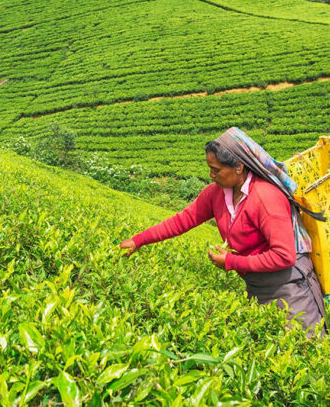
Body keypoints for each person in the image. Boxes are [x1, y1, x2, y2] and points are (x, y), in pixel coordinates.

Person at [120, 127, 326, 336]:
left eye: (216, 170)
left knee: (302, 345)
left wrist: (231, 262)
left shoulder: (266, 198)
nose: (211, 175)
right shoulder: (216, 194)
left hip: (289, 287)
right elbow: (182, 220)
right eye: (210, 168)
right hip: (256, 284)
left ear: (238, 166)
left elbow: (284, 256)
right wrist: (138, 241)